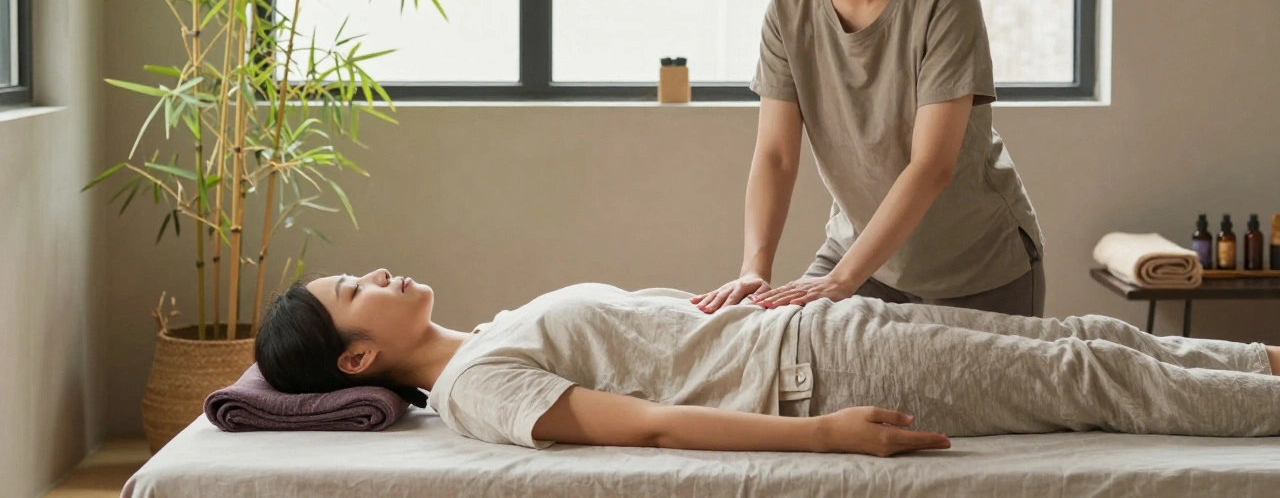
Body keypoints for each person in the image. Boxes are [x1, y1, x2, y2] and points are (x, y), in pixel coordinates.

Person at [255, 268, 1280, 457]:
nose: (375, 271)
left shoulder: (488, 332)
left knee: (1091, 342)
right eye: (354, 288)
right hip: (811, 380)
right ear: (356, 355)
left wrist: (723, 294)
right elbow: (645, 423)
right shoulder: (477, 389)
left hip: (803, 330)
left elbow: (652, 346)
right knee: (1094, 383)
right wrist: (819, 437)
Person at [693, 0, 1047, 318]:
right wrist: (756, 266)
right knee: (787, 356)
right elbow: (775, 155)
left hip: (976, 267)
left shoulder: (945, 1)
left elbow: (932, 166)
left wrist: (842, 280)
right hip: (860, 257)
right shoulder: (787, 13)